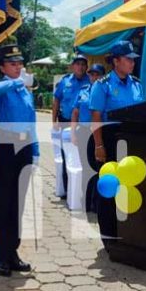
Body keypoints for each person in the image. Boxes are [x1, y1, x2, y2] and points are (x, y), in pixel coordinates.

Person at [0, 45, 38, 276]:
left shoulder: (26, 91)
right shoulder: (1, 86)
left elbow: (32, 121)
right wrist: (21, 81)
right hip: (5, 146)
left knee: (18, 204)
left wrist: (35, 150)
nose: (18, 67)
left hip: (24, 146)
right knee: (2, 203)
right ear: (2, 67)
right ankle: (1, 257)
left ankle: (13, 253)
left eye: (19, 63)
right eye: (12, 64)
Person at [89, 41, 144, 247]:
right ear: (116, 61)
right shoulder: (102, 85)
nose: (132, 63)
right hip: (110, 139)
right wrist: (99, 145)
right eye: (128, 59)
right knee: (110, 189)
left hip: (134, 140)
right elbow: (96, 117)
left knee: (131, 187)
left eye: (132, 59)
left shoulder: (137, 84)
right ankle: (110, 237)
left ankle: (130, 232)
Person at [52, 55, 90, 197]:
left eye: (83, 64)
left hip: (82, 125)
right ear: (72, 66)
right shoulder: (65, 81)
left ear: (86, 67)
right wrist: (54, 121)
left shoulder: (90, 80)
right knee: (66, 156)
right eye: (77, 64)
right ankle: (67, 191)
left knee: (82, 158)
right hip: (65, 122)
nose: (80, 67)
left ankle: (80, 191)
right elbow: (56, 101)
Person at [71, 64, 105, 213]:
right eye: (91, 74)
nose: (94, 77)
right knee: (86, 167)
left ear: (103, 76)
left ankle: (98, 203)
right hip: (84, 132)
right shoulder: (83, 91)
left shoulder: (104, 90)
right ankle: (86, 201)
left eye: (97, 74)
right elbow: (75, 112)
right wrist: (72, 132)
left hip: (99, 132)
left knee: (100, 168)